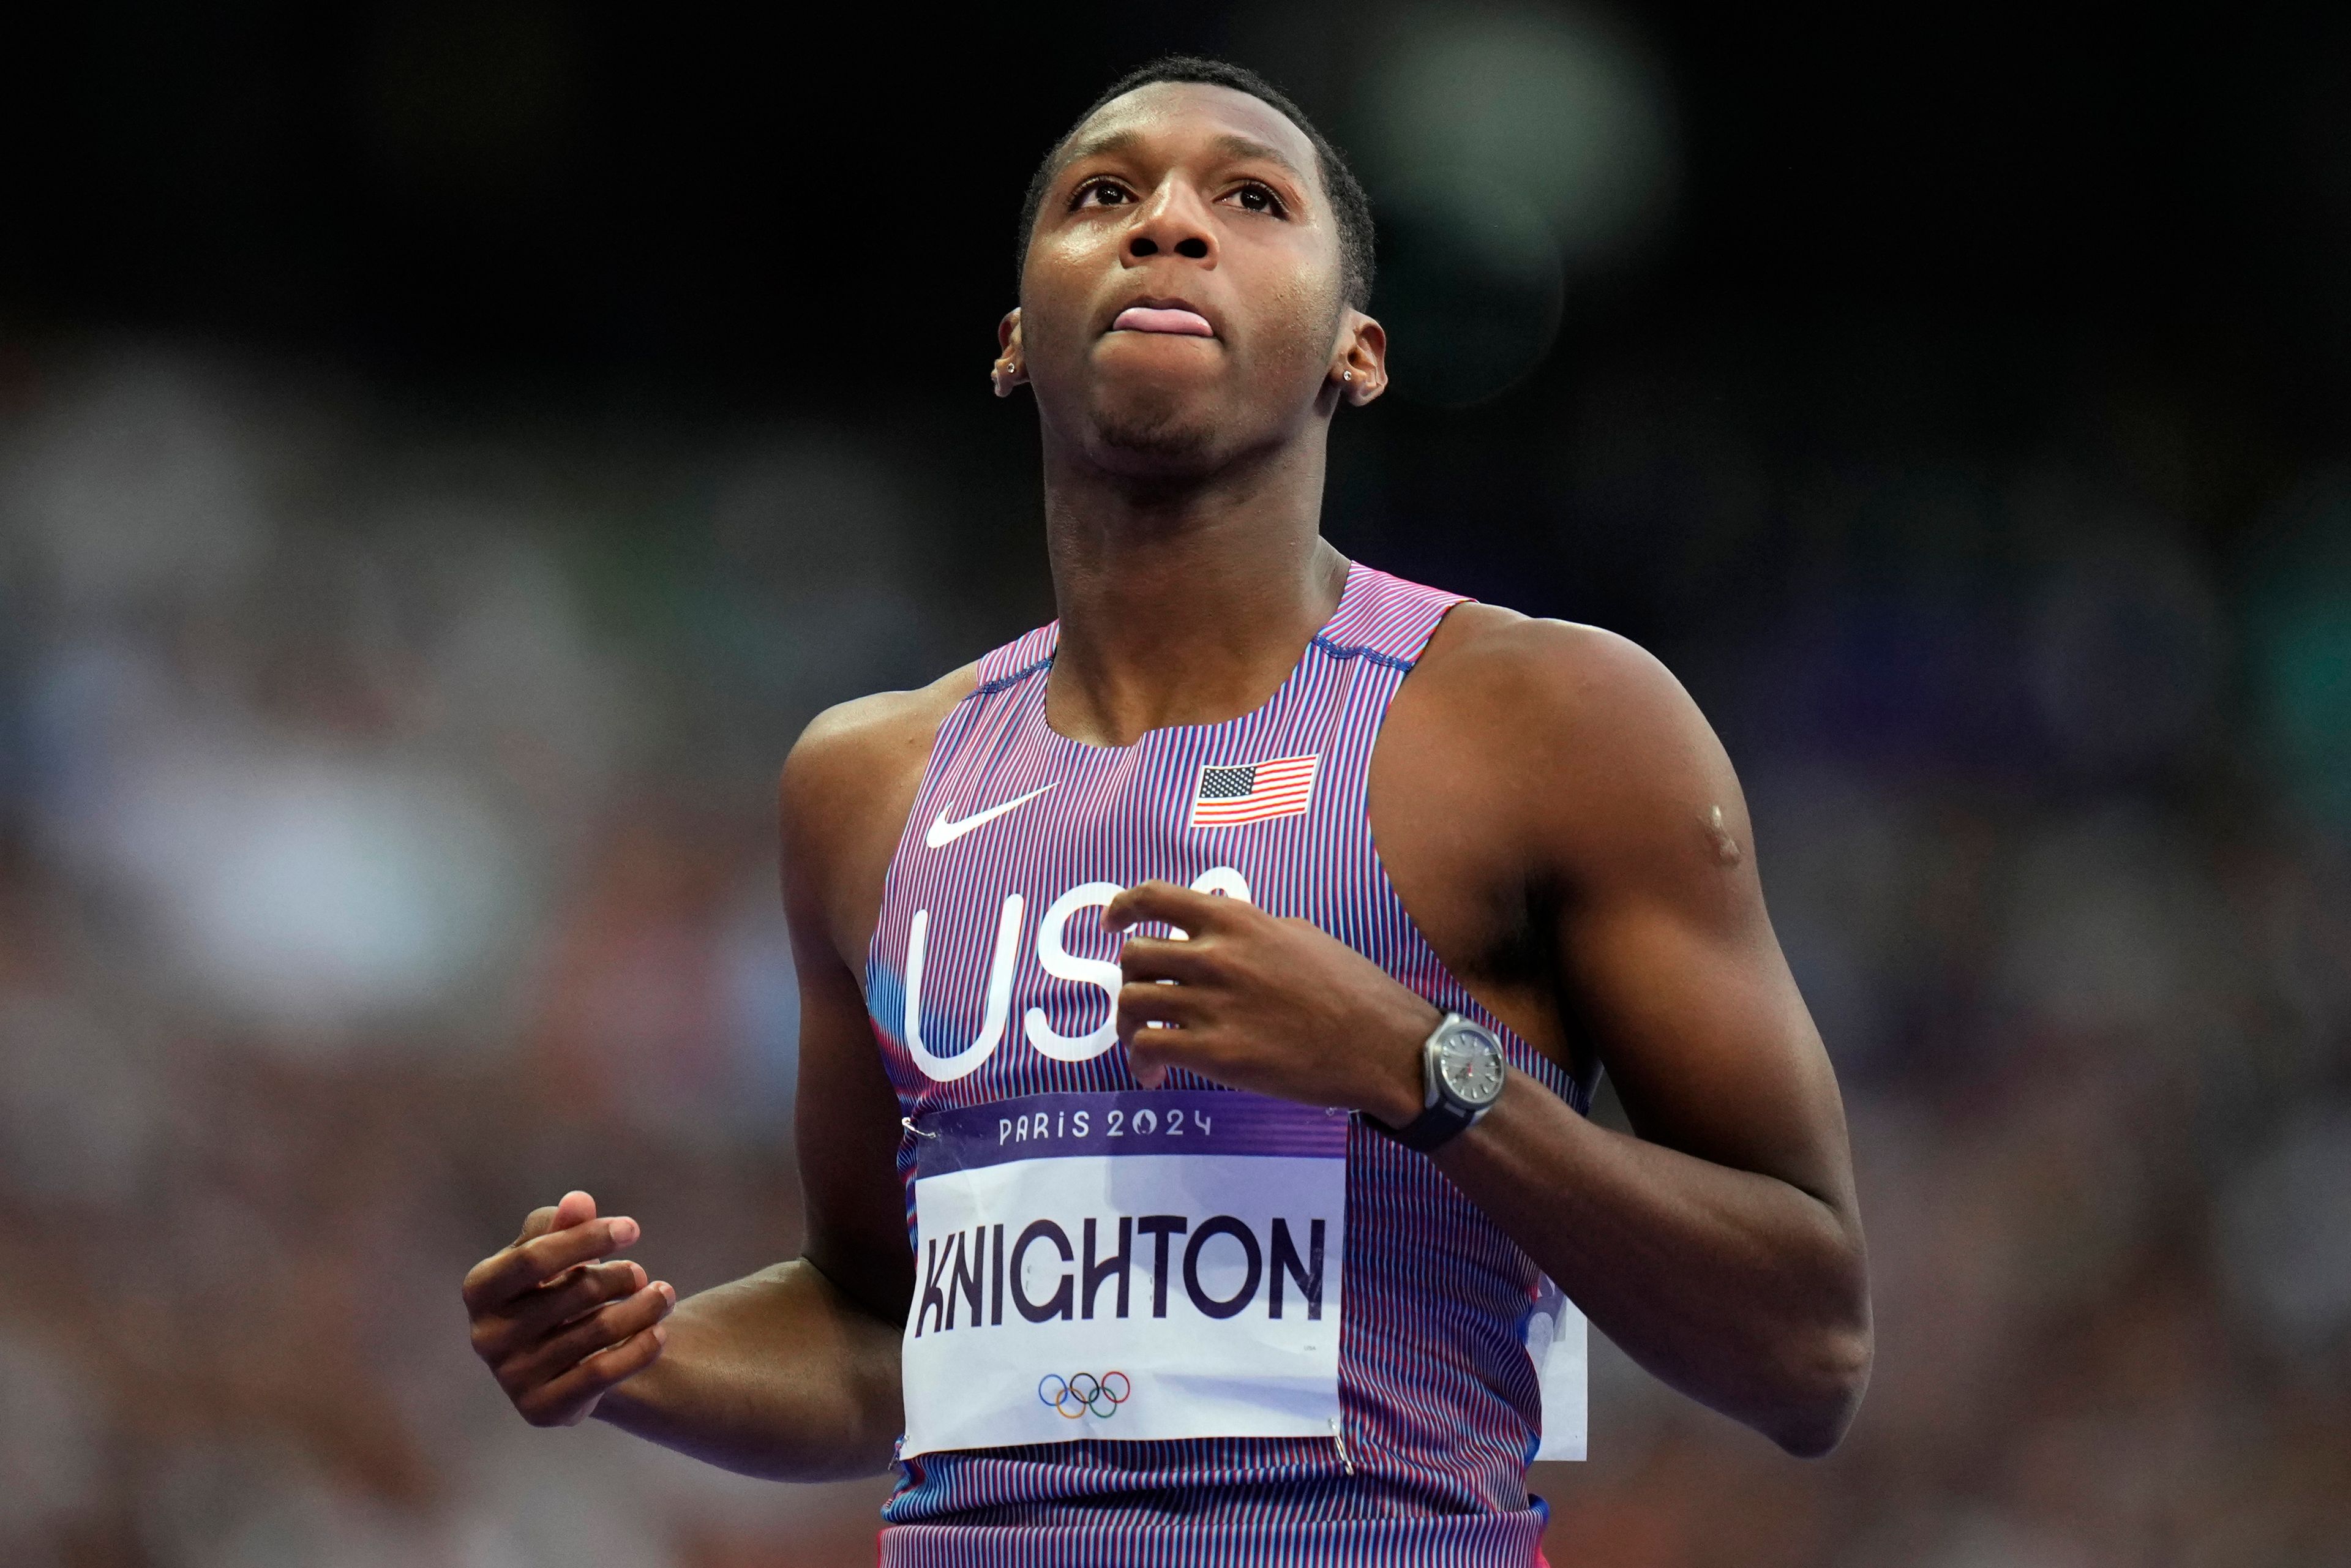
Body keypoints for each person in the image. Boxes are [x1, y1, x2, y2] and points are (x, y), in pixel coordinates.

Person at [461, 55, 1872, 1566]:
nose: (1169, 226)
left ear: (1357, 353)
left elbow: (1807, 1354)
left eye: (1250, 200)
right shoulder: (867, 781)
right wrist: (645, 1362)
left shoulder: (1552, 722)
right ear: (1015, 340)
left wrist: (1420, 1067)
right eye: (1106, 197)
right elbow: (887, 1328)